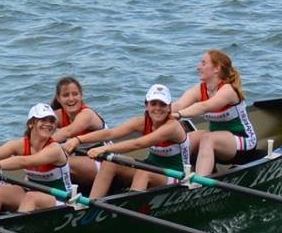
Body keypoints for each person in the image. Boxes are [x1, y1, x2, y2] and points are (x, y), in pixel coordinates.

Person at [72, 84, 187, 198]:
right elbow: (110, 133)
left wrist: (103, 148)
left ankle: (134, 207)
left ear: (169, 108)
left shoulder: (172, 127)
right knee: (109, 163)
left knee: (143, 172)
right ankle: (91, 206)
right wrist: (77, 140)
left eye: (163, 104)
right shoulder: (141, 122)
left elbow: (138, 144)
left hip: (177, 176)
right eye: (153, 104)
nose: (157, 108)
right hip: (152, 167)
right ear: (146, 106)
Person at [0, 104, 74, 216]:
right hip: (32, 196)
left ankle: (18, 227)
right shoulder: (20, 144)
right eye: (43, 120)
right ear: (31, 124)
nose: (48, 124)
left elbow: (24, 161)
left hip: (62, 201)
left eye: (51, 121)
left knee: (31, 197)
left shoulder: (54, 149)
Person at [172, 49, 260, 177]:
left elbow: (205, 106)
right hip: (219, 140)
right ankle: (172, 178)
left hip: (244, 142)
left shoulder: (228, 90)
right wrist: (158, 112)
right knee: (187, 140)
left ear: (216, 69)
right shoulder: (200, 89)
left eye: (203, 63)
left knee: (207, 138)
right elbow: (179, 105)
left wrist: (179, 115)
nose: (198, 67)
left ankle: (198, 184)